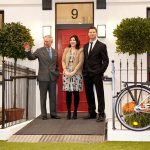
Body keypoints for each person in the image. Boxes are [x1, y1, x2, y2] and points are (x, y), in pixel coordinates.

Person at [23, 35, 60, 120]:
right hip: (43, 78)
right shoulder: (39, 51)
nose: (45, 42)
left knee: (53, 97)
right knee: (43, 97)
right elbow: (31, 57)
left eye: (47, 41)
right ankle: (44, 115)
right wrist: (27, 50)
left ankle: (53, 114)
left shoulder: (55, 52)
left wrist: (56, 74)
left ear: (51, 42)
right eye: (44, 41)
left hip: (52, 78)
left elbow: (56, 65)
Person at [83, 27, 109, 122]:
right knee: (89, 94)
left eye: (93, 32)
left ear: (96, 33)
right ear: (88, 34)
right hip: (87, 74)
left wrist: (100, 71)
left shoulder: (102, 45)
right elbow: (85, 61)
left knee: (100, 94)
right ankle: (92, 113)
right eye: (90, 32)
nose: (92, 33)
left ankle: (101, 114)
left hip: (97, 74)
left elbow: (106, 61)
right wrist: (84, 72)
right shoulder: (85, 46)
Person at [62, 35, 84, 120]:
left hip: (76, 73)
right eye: (71, 40)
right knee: (68, 93)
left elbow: (81, 62)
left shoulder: (80, 50)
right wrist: (65, 70)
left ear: (77, 41)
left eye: (74, 40)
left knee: (75, 93)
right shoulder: (66, 50)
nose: (72, 41)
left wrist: (74, 72)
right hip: (67, 73)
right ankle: (68, 112)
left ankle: (75, 111)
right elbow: (63, 61)